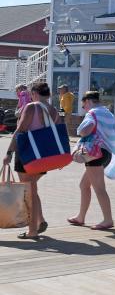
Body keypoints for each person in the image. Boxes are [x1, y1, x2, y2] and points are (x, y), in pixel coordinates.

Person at [3, 82, 59, 239]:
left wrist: (9, 152)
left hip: (28, 153)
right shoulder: (53, 110)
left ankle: (32, 230)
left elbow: (19, 131)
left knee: (29, 193)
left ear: (34, 93)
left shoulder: (31, 107)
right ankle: (39, 221)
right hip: (44, 155)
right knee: (32, 190)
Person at [68, 90, 115, 231]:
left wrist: (81, 130)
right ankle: (80, 217)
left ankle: (108, 220)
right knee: (84, 185)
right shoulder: (108, 113)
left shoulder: (93, 113)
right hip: (106, 153)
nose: (84, 109)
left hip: (94, 153)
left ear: (88, 101)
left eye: (83, 106)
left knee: (99, 188)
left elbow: (84, 130)